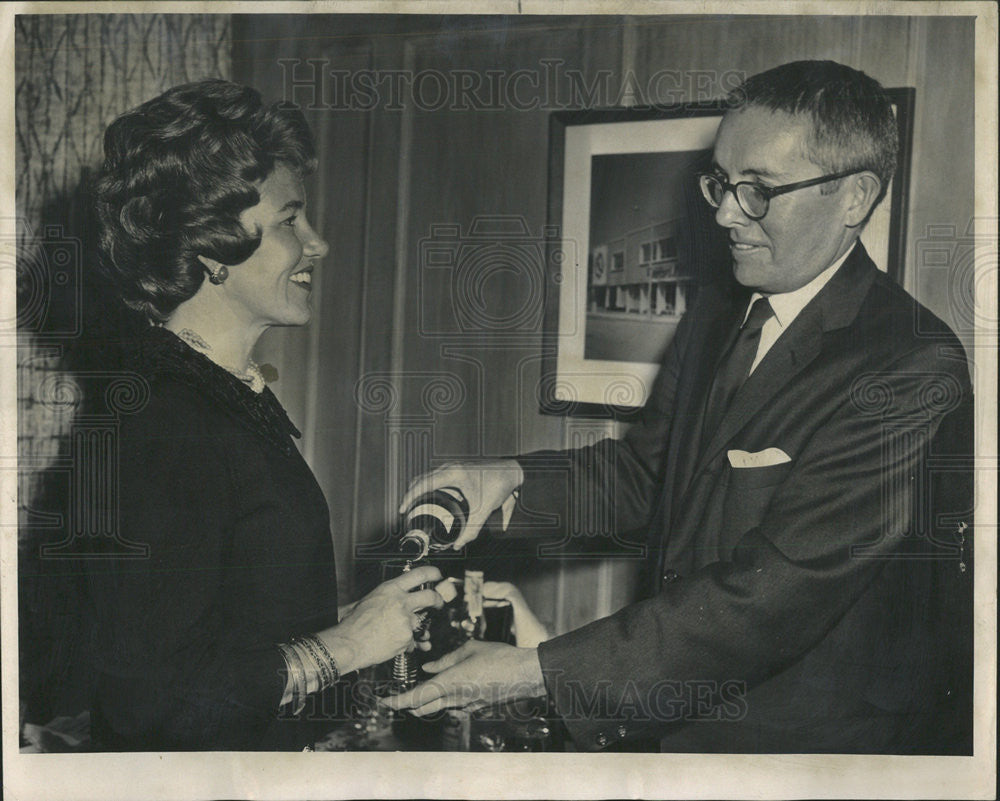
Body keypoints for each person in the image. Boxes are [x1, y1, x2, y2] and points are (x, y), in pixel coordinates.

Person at [386, 61, 974, 754]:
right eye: (720, 183)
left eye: (757, 189)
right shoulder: (723, 310)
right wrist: (512, 480)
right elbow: (646, 474)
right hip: (674, 727)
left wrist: (535, 672)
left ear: (854, 197)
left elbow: (773, 594)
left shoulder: (909, 364)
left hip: (799, 749)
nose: (725, 212)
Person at [19, 79, 443, 751]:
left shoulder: (223, 399)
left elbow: (222, 624)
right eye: (289, 221)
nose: (318, 243)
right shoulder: (161, 426)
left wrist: (359, 620)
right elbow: (147, 698)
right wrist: (346, 644)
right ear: (212, 247)